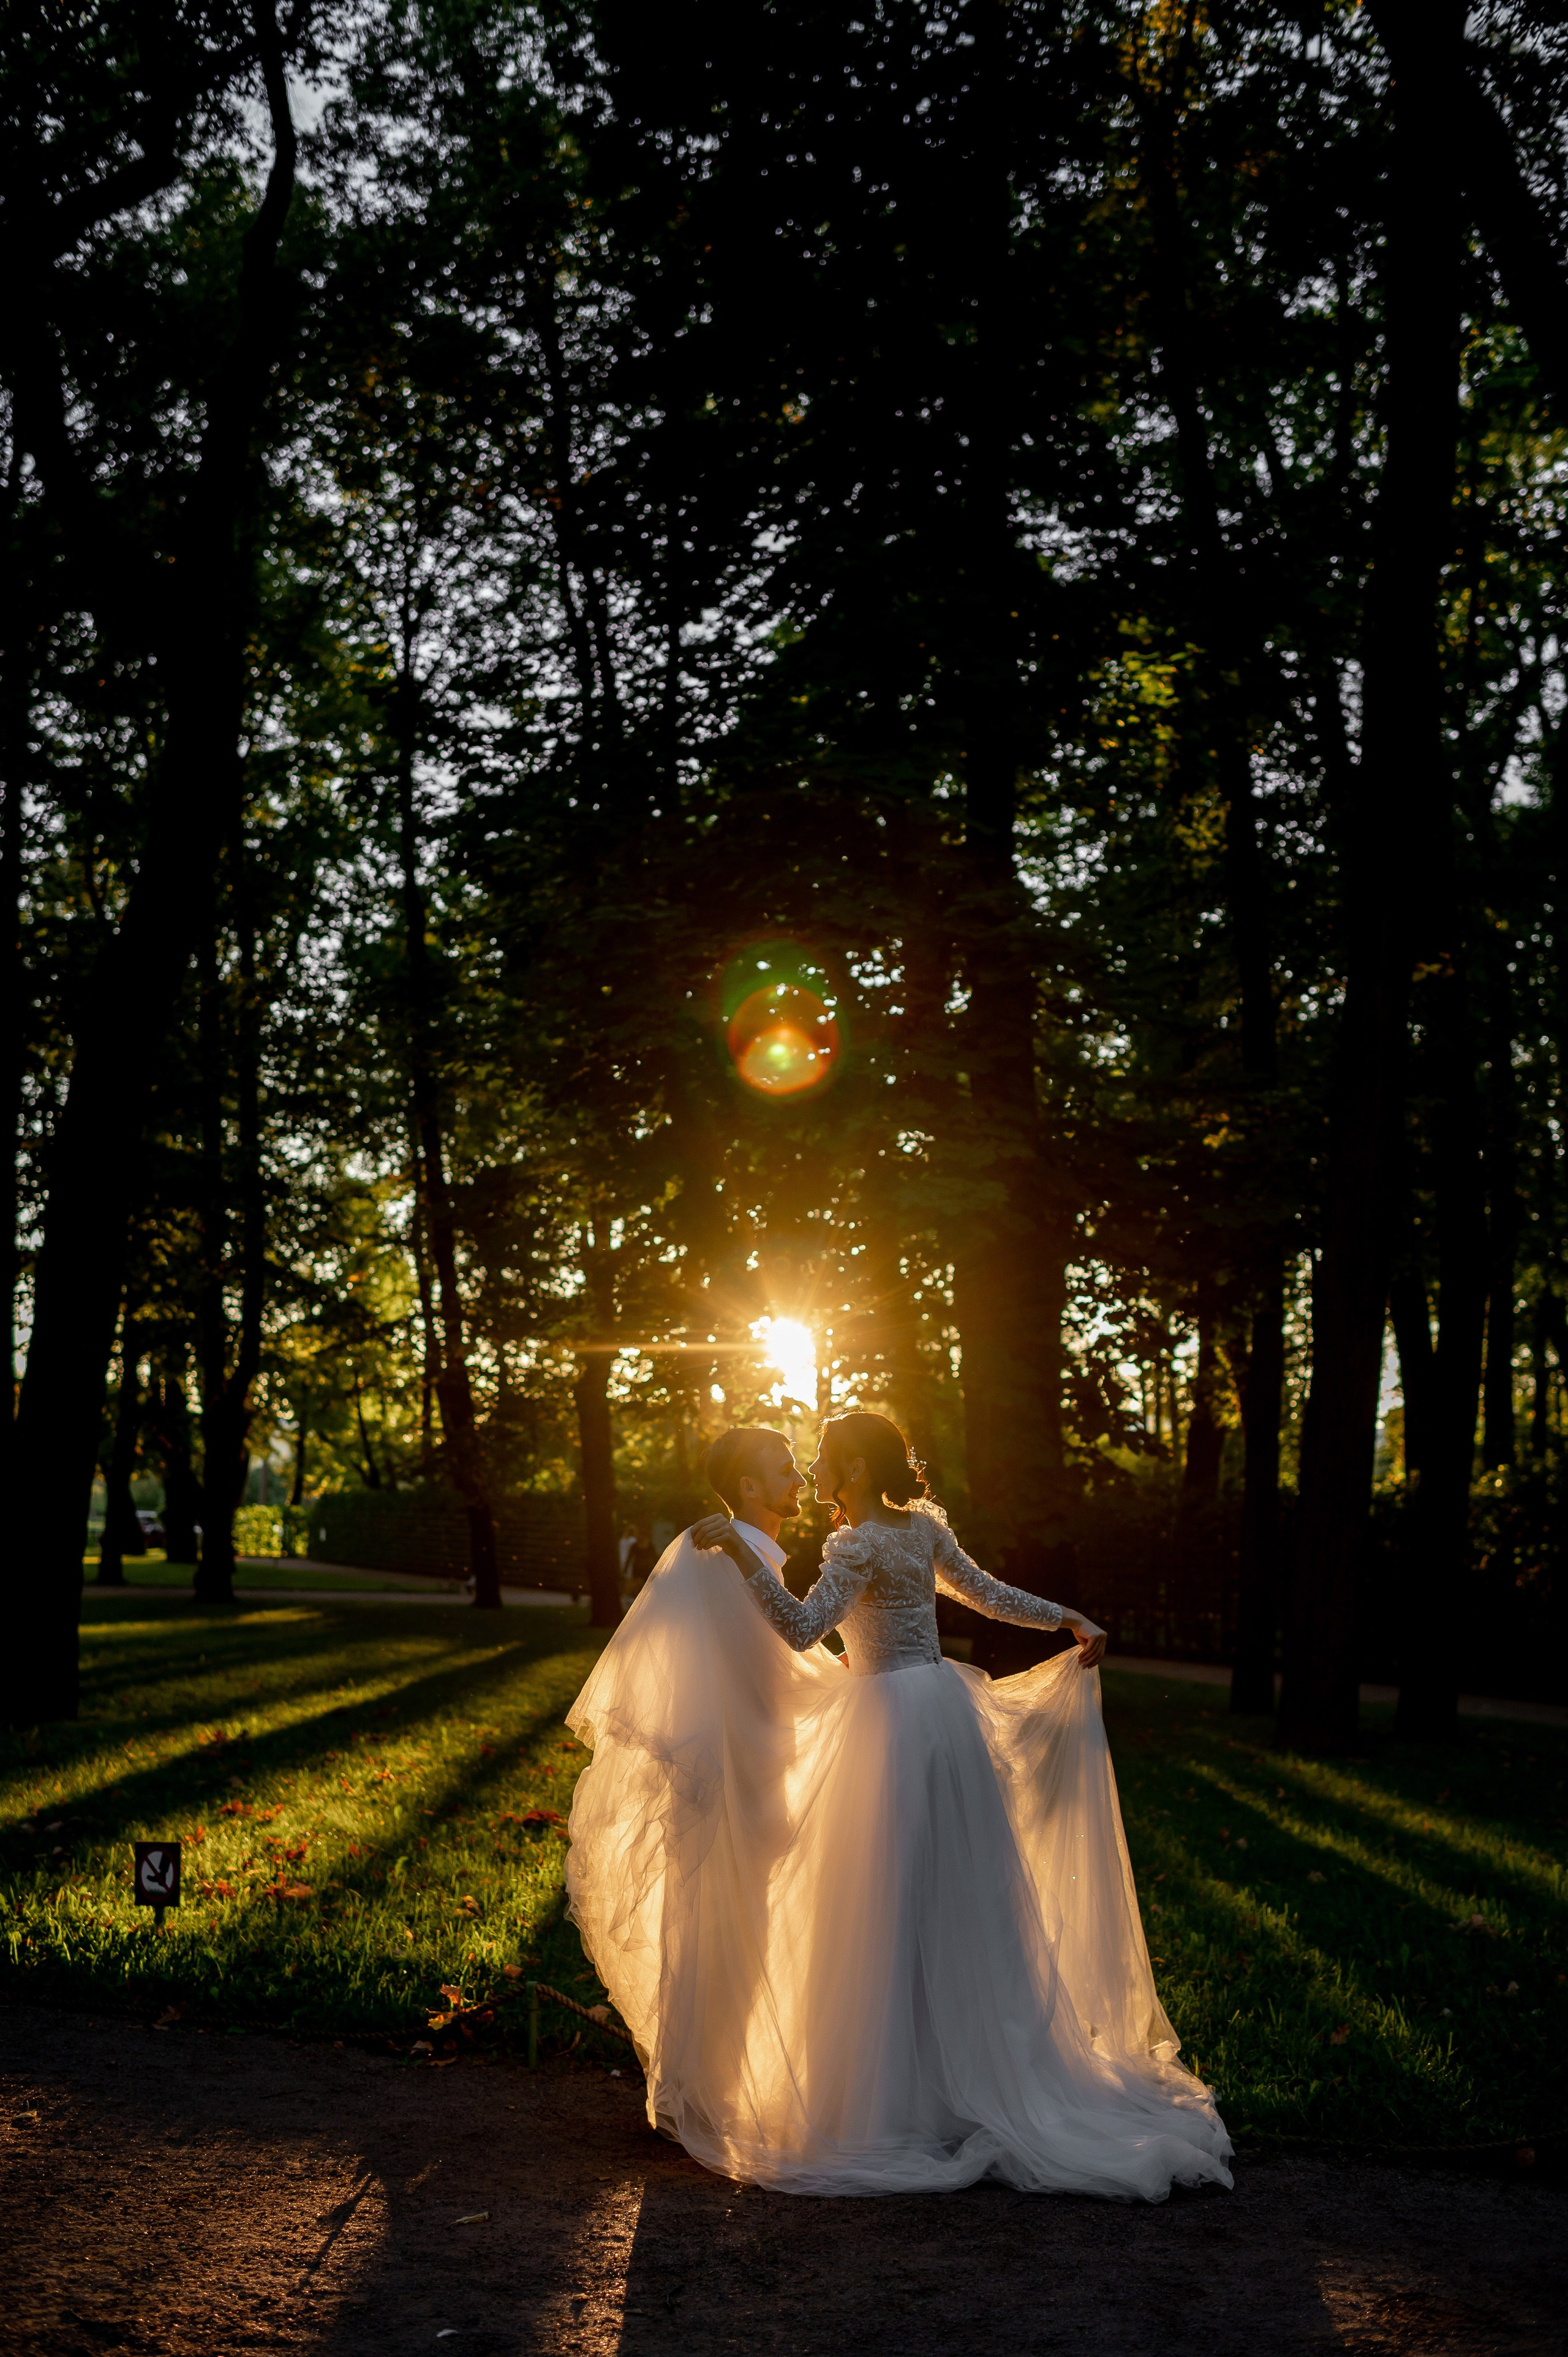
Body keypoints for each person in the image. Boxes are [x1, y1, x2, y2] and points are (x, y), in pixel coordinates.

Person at [564, 1411, 1232, 2201]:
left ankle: (898, 2094)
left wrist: (744, 1555)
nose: (812, 1472)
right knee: (957, 1899)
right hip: (946, 1719)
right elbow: (988, 1595)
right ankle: (970, 2073)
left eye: (820, 1459)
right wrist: (1065, 1616)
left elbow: (802, 1630)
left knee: (882, 1907)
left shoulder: (853, 1545)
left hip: (887, 1729)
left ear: (850, 1465)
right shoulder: (920, 1531)